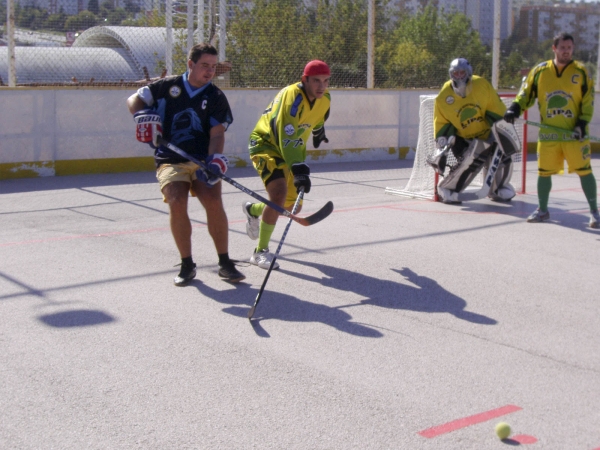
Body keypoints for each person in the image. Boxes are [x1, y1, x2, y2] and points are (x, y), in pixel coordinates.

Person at [126, 43, 245, 285]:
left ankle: (225, 263)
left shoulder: (216, 97)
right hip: (170, 159)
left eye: (213, 67)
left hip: (202, 160)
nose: (210, 71)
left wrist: (214, 160)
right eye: (205, 65)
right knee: (177, 201)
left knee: (213, 202)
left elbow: (217, 134)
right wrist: (140, 115)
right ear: (191, 64)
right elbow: (133, 100)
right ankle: (187, 264)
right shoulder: (166, 86)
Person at [243, 60, 331, 269]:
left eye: (326, 81)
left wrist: (319, 131)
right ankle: (260, 252)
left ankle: (253, 210)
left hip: (291, 150)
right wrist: (299, 169)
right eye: (316, 81)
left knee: (293, 206)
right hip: (266, 145)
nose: (321, 86)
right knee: (278, 195)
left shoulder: (325, 98)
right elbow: (286, 135)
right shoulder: (292, 98)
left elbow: (319, 117)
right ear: (304, 80)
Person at [504, 32, 599, 228]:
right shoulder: (540, 71)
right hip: (548, 134)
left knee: (584, 171)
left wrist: (582, 123)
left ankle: (594, 212)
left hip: (575, 134)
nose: (566, 51)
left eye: (569, 48)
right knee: (544, 172)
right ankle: (542, 210)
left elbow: (588, 100)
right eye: (562, 48)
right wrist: (515, 108)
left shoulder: (581, 72)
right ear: (554, 48)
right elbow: (526, 93)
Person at [429, 57, 516, 204]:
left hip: (487, 135)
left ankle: (498, 188)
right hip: (463, 140)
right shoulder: (443, 96)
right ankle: (447, 189)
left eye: (462, 73)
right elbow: (442, 122)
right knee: (471, 161)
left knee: (503, 155)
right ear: (451, 74)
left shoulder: (482, 85)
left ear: (468, 72)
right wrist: (442, 146)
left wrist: (502, 127)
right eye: (455, 73)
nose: (459, 76)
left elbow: (495, 109)